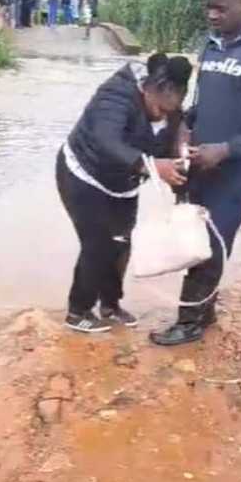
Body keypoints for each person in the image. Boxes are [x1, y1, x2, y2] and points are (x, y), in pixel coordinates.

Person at [149, 0, 241, 346]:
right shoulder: (209, 46)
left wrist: (224, 150)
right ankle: (204, 313)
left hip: (231, 174)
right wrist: (185, 130)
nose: (212, 15)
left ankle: (188, 323)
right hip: (197, 168)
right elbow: (198, 106)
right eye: (209, 7)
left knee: (210, 245)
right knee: (191, 241)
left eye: (221, 9)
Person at [57, 53, 193, 333]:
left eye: (169, 111)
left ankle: (110, 305)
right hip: (83, 174)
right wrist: (152, 165)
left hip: (124, 182)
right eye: (158, 109)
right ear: (146, 89)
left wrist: (179, 181)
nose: (162, 115)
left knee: (121, 244)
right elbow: (106, 141)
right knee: (98, 244)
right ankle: (78, 310)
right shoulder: (116, 94)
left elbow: (171, 146)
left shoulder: (173, 109)